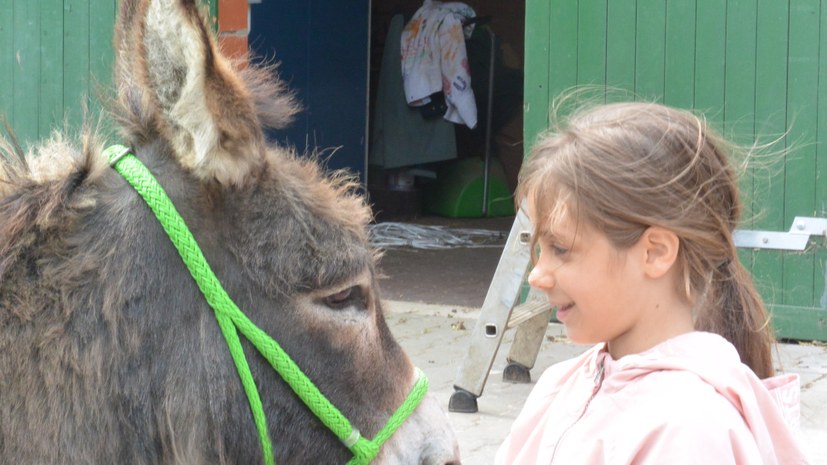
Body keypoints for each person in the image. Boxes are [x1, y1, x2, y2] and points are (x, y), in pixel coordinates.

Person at [495, 100, 810, 464]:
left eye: (561, 248)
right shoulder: (559, 385)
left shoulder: (690, 431)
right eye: (539, 248)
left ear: (655, 253)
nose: (537, 274)